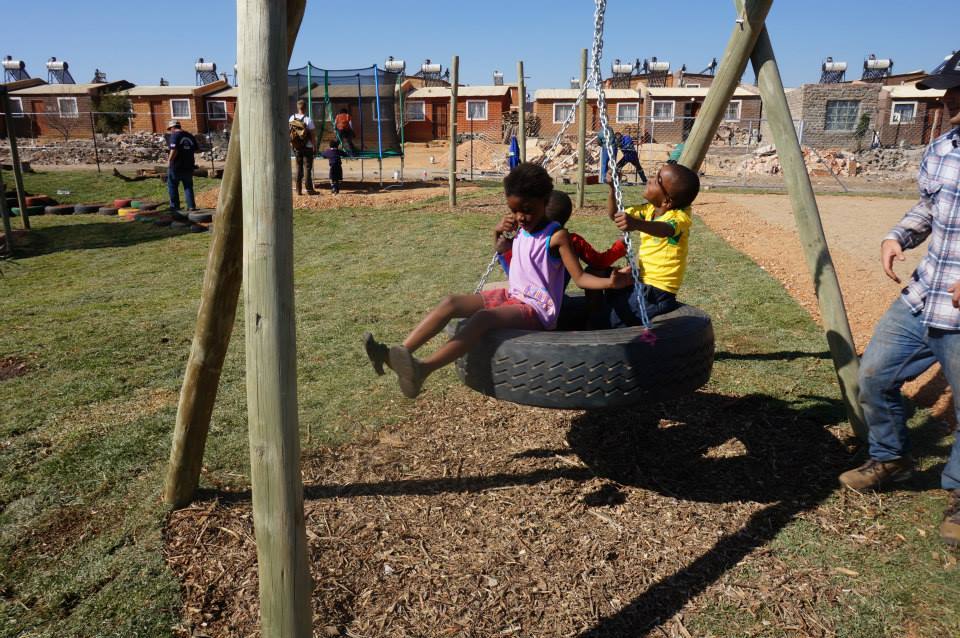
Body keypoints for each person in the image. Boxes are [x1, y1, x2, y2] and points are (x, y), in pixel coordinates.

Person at [363, 162, 632, 398]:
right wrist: (498, 234)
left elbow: (581, 278)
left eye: (527, 210)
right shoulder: (521, 229)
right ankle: (397, 354)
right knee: (451, 302)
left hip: (536, 309)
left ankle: (423, 369)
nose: (520, 217)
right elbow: (509, 258)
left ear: (545, 201)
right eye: (514, 210)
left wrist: (610, 283)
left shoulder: (557, 237)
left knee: (482, 319)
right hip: (513, 295)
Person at [838, 51, 960, 547]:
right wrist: (898, 235)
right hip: (925, 293)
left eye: (958, 90)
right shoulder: (943, 148)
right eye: (948, 91)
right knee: (874, 375)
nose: (949, 100)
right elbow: (930, 207)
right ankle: (891, 459)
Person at [599, 161, 701, 327]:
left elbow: (666, 229)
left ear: (667, 201)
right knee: (599, 279)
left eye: (657, 180)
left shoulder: (679, 218)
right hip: (640, 279)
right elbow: (615, 214)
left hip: (656, 291)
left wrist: (637, 224)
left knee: (610, 320)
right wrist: (613, 188)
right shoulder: (649, 209)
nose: (650, 179)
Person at [165, 120, 197, 213]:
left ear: (172, 128)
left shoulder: (175, 135)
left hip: (176, 166)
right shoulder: (189, 135)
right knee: (188, 186)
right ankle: (191, 206)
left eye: (170, 129)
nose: (170, 131)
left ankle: (175, 207)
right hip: (189, 165)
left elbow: (174, 149)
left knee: (172, 186)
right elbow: (195, 149)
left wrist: (169, 160)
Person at [289, 99, 317, 195]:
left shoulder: (291, 118)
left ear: (298, 107)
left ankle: (298, 190)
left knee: (298, 167)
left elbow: (290, 132)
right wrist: (314, 146)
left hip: (296, 147)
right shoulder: (308, 119)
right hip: (307, 146)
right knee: (307, 168)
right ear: (305, 108)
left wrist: (292, 143)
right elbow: (312, 135)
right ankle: (309, 190)